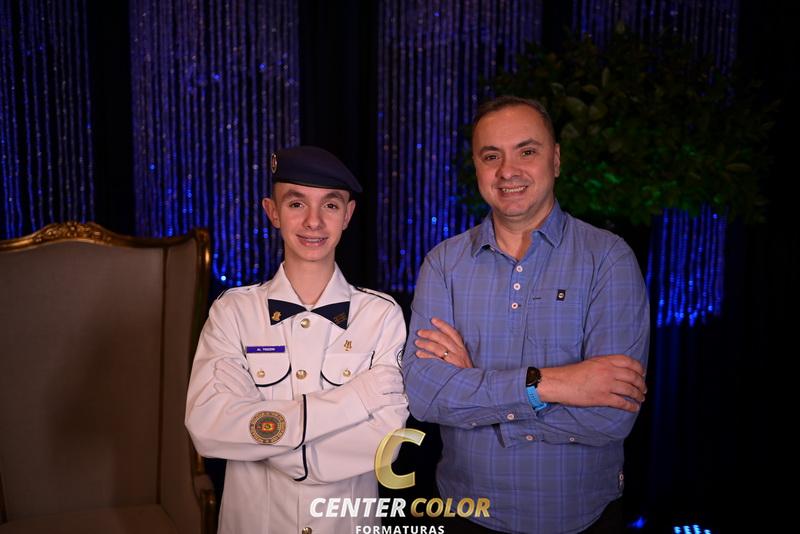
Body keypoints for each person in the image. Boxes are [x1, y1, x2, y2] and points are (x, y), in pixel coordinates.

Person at [401, 96, 649, 534]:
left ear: (556, 159)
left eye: (527, 151)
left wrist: (473, 386)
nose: (507, 171)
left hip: (580, 519)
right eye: (491, 156)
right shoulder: (443, 263)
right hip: (464, 514)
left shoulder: (608, 258)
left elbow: (612, 415)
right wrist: (553, 384)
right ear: (477, 167)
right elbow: (426, 396)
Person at [186, 146, 408, 534]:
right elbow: (209, 426)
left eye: (330, 206)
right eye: (296, 204)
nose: (313, 221)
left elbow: (386, 443)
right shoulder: (233, 313)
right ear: (272, 211)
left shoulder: (381, 316)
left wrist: (262, 438)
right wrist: (354, 399)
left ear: (348, 215)